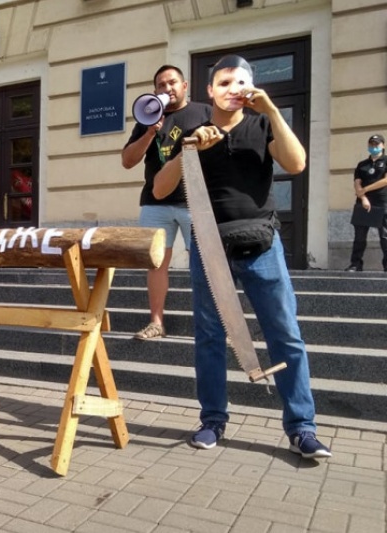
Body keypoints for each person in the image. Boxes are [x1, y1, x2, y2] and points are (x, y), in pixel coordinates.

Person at [153, 55, 331, 459]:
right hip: (209, 248)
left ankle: (302, 427)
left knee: (285, 335)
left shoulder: (263, 124)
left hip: (262, 245)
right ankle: (212, 420)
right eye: (225, 82)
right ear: (210, 91)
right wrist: (188, 150)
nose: (234, 88)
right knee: (211, 338)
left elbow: (296, 163)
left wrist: (270, 110)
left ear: (251, 88)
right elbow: (161, 189)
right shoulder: (194, 131)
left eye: (241, 82)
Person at [122, 65, 212, 340]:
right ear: (155, 91)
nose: (167, 88)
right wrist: (149, 133)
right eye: (161, 85)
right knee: (156, 264)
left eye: (172, 82)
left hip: (194, 201)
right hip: (154, 203)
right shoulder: (148, 116)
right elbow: (127, 161)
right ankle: (156, 323)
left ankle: (216, 324)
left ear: (185, 86)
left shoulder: (204, 113)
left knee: (207, 264)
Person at [344, 134, 387, 272]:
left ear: (383, 146)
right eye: (371, 144)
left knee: (385, 236)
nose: (374, 147)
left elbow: (385, 180)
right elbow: (357, 183)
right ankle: (356, 264)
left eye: (377, 144)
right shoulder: (362, 165)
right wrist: (363, 197)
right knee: (359, 237)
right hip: (363, 203)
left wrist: (365, 190)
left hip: (382, 202)